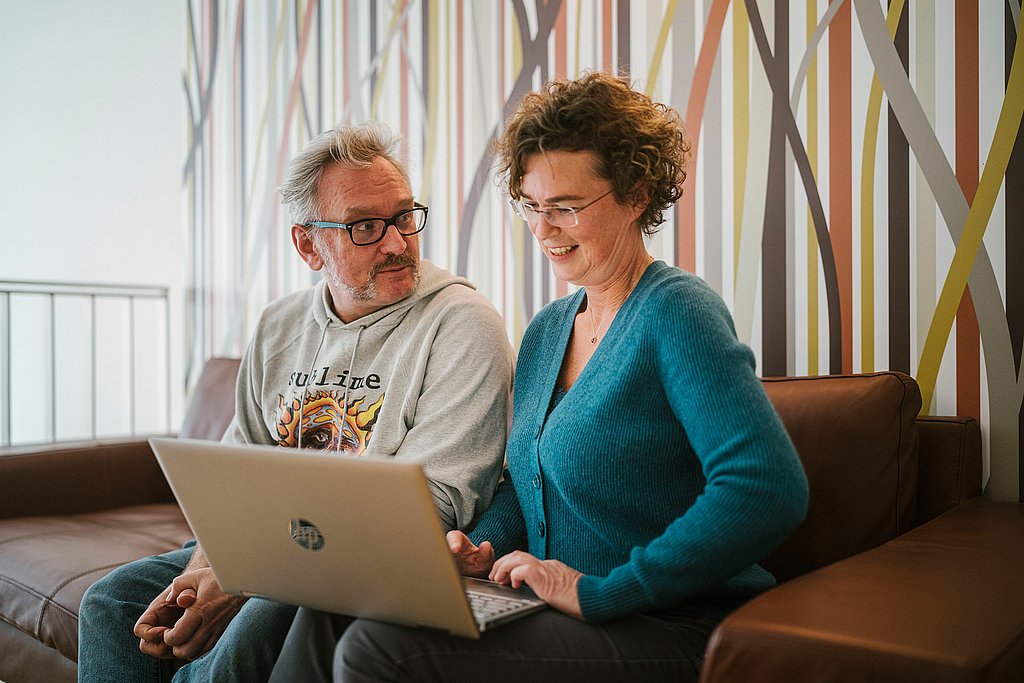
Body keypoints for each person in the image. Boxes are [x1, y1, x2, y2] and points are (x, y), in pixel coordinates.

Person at [315, 72, 810, 682]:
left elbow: (767, 488)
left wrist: (606, 591)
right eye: (531, 205)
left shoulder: (677, 312)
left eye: (567, 208)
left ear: (636, 193)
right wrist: (483, 549)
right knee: (331, 609)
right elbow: (530, 488)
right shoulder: (550, 330)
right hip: (559, 609)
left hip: (668, 620)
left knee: (378, 647)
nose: (543, 231)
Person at [76, 122, 514, 682]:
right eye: (364, 226)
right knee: (109, 604)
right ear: (308, 244)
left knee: (254, 625)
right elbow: (233, 482)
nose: (397, 242)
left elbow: (432, 506)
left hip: (359, 570)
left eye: (404, 216)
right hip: (266, 551)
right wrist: (210, 566)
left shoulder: (461, 326)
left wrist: (245, 581)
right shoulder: (279, 325)